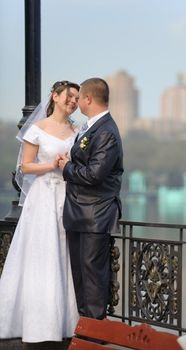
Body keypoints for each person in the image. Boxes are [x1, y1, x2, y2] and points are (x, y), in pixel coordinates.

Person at [0, 80, 80, 343]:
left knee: (62, 254)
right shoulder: (37, 129)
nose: (73, 101)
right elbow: (25, 167)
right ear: (54, 97)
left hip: (66, 197)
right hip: (44, 196)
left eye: (77, 98)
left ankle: (61, 321)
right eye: (69, 96)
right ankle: (35, 322)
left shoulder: (76, 130)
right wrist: (52, 165)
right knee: (41, 253)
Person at [58, 77, 124, 320]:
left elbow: (95, 175)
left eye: (79, 98)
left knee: (93, 278)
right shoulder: (91, 127)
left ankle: (94, 336)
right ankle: (83, 330)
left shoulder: (106, 131)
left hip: (95, 216)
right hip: (81, 214)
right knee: (80, 276)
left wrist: (66, 167)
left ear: (88, 99)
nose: (76, 102)